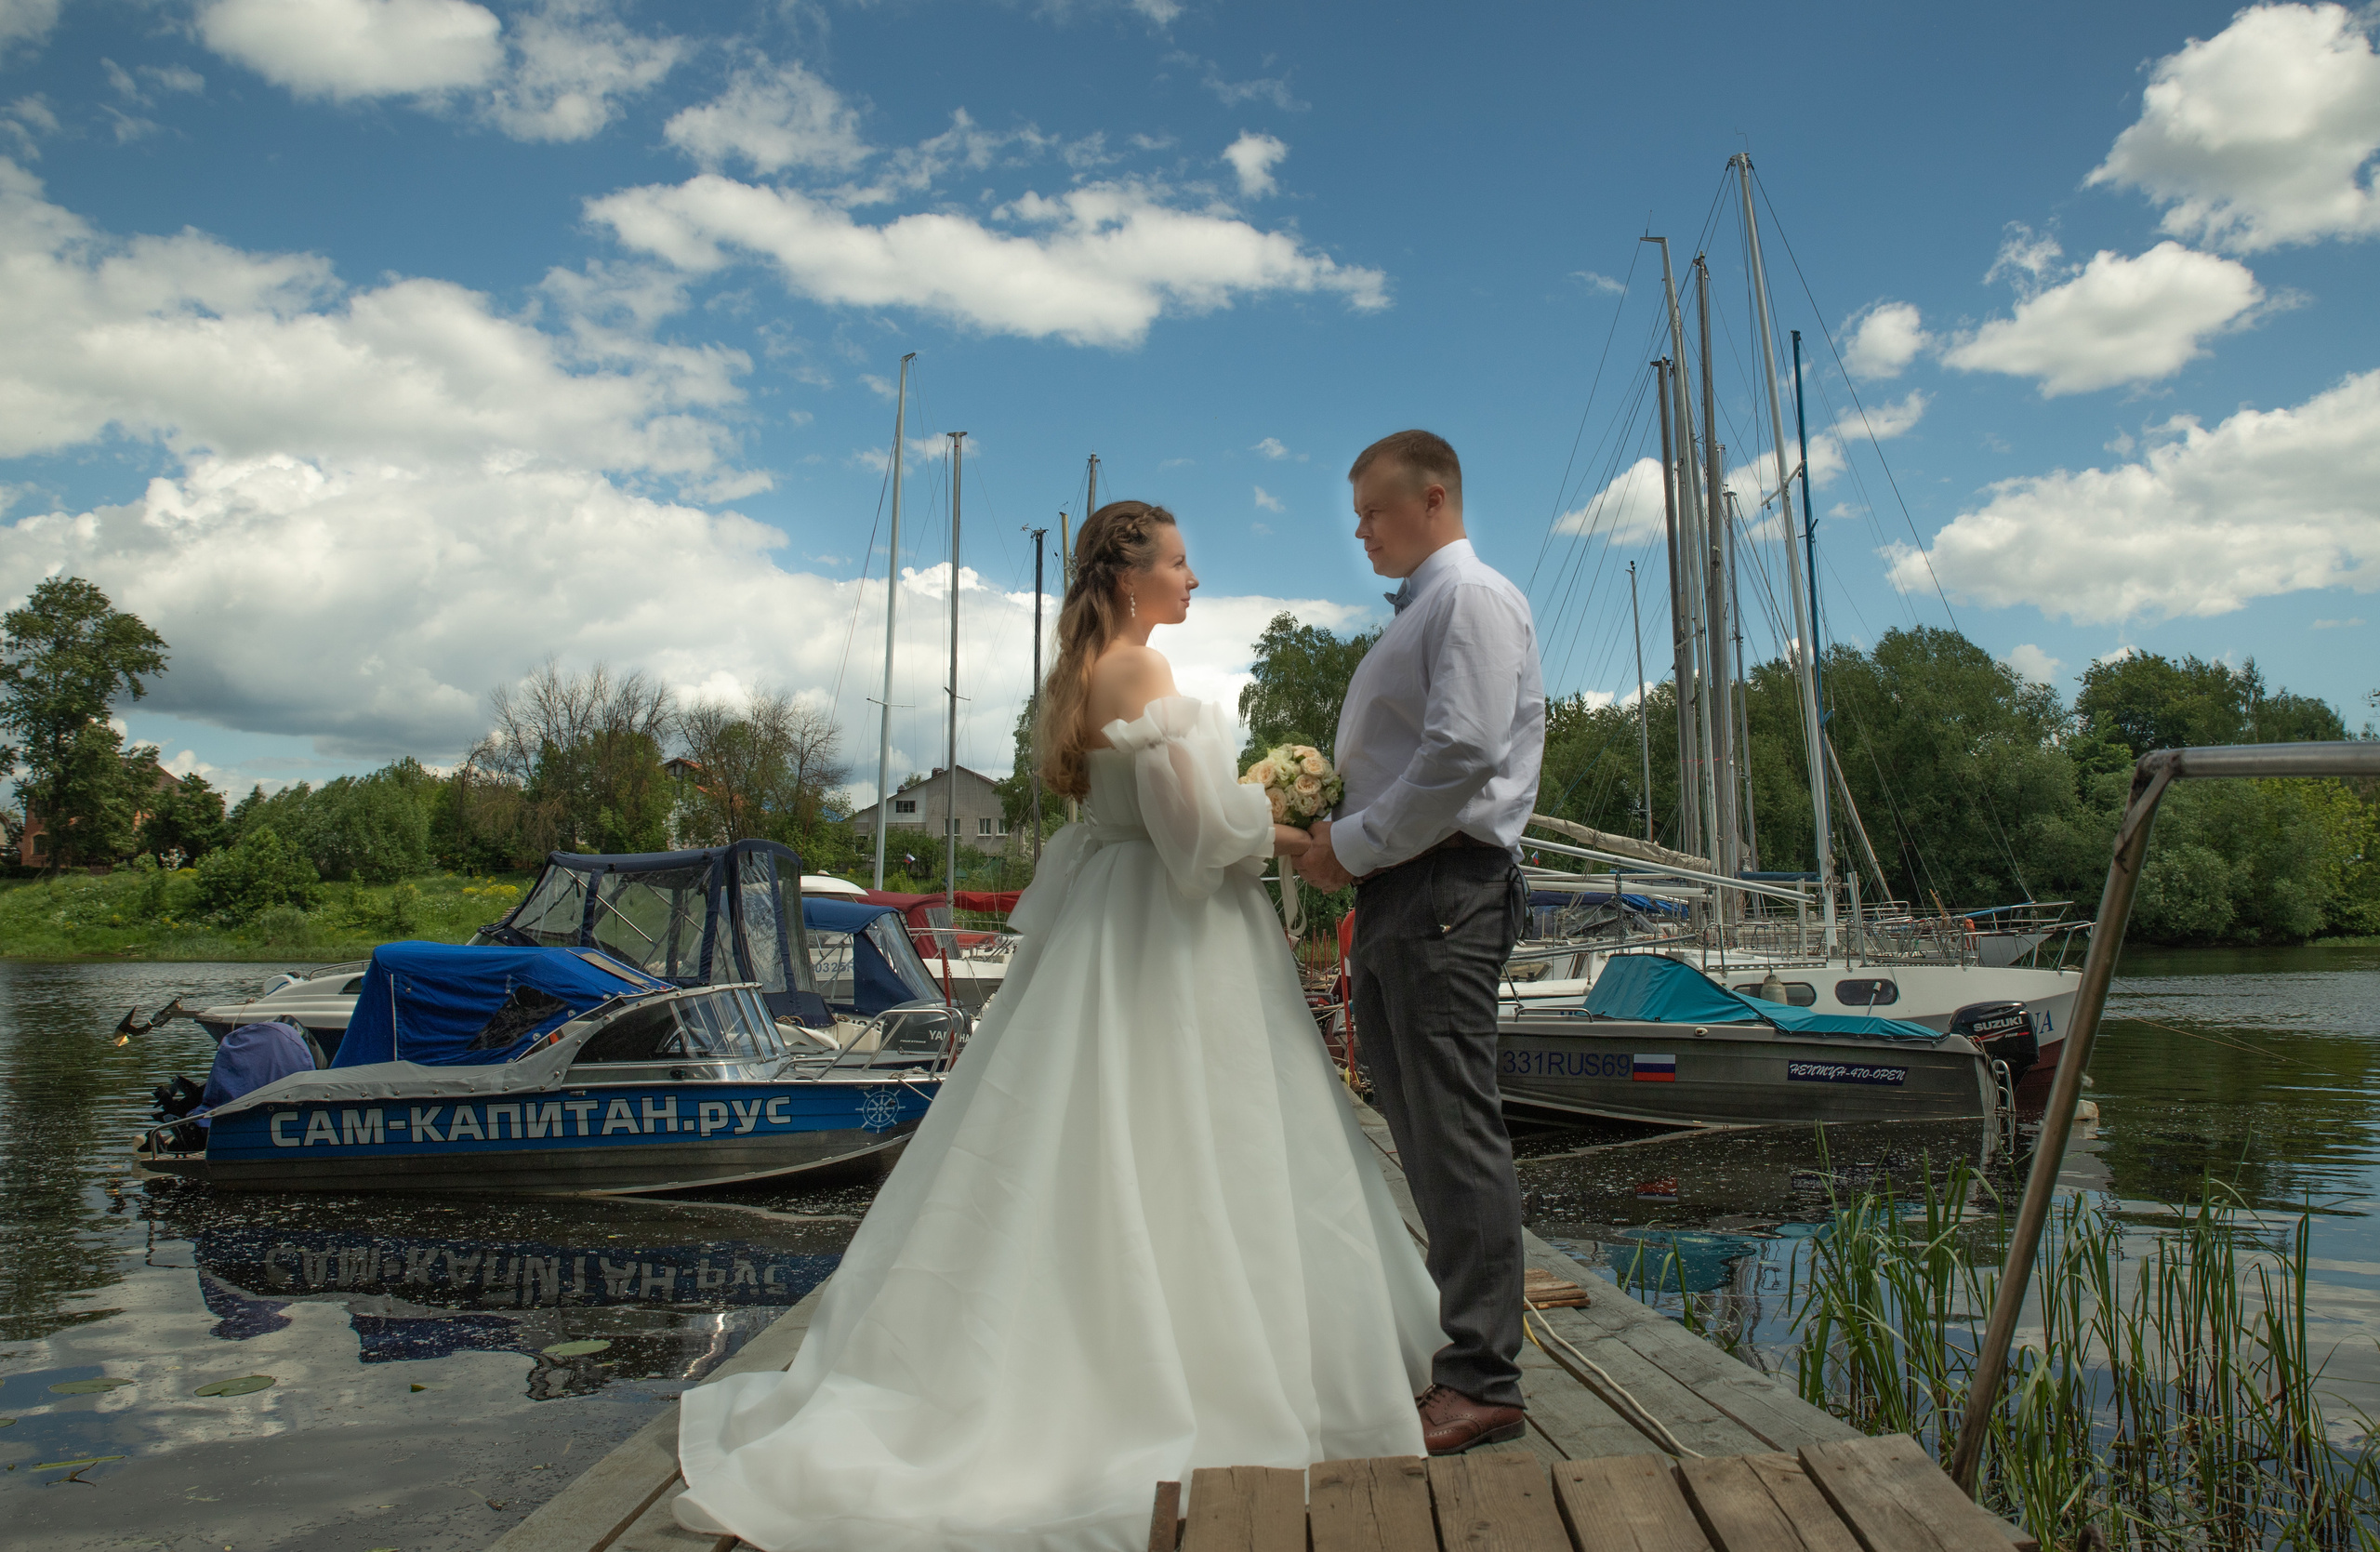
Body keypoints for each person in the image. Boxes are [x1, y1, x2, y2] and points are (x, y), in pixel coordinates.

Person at [672, 500, 1440, 1552]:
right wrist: (1279, 817)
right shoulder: (1140, 673)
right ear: (1130, 579)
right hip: (1168, 936)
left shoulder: (1078, 677)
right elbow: (1194, 836)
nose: (1194, 578)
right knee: (1198, 1138)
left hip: (1105, 927)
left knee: (1093, 1138)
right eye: (1180, 561)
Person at [1296, 430, 1546, 1456]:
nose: (1358, 529)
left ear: (1432, 497)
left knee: (1452, 1131)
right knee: (1423, 1128)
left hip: (1442, 886)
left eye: (1371, 510)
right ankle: (1466, 1358)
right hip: (1411, 889)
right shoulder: (1428, 609)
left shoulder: (1469, 598)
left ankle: (1483, 1379)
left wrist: (1346, 845)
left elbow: (1461, 750)